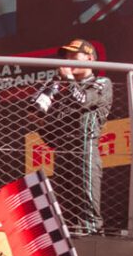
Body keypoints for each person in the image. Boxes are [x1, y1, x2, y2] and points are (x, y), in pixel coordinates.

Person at [38, 37, 114, 232]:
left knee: (88, 206)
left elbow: (82, 100)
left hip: (86, 148)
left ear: (89, 59)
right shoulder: (60, 90)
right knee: (62, 206)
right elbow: (50, 136)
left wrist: (69, 80)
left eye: (74, 55)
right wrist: (38, 119)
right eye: (66, 56)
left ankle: (93, 237)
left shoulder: (102, 82)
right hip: (63, 153)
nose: (68, 60)